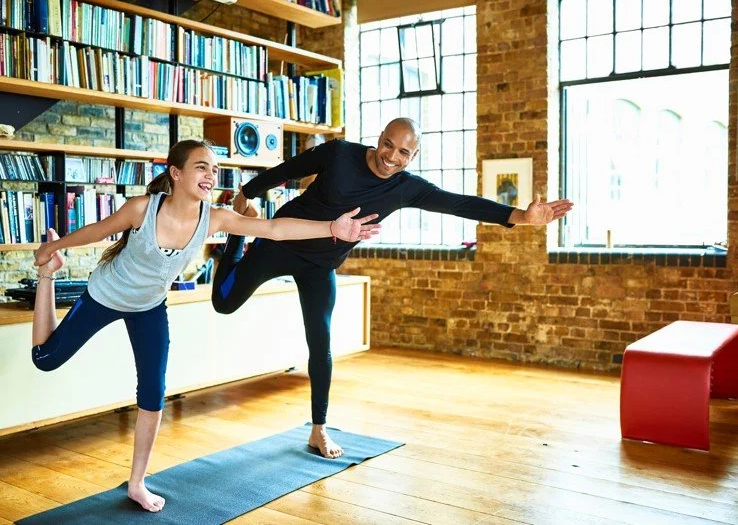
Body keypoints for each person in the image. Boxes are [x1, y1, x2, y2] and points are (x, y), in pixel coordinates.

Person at [30, 139, 381, 513]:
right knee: (46, 359)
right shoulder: (141, 209)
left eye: (214, 169)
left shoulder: (214, 218)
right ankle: (46, 280)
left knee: (153, 394)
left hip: (148, 308)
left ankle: (137, 483)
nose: (211, 174)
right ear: (176, 173)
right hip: (105, 295)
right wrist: (52, 251)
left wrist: (332, 228)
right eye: (201, 166)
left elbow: (275, 228)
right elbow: (99, 231)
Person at [213, 117, 574, 459]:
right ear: (379, 139)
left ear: (413, 156)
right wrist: (244, 197)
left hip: (321, 265)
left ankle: (318, 428)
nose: (391, 157)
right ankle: (235, 239)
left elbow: (459, 204)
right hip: (280, 240)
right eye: (388, 145)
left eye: (403, 152)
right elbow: (286, 171)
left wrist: (520, 217)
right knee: (224, 304)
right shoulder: (339, 154)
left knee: (321, 341)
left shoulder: (405, 188)